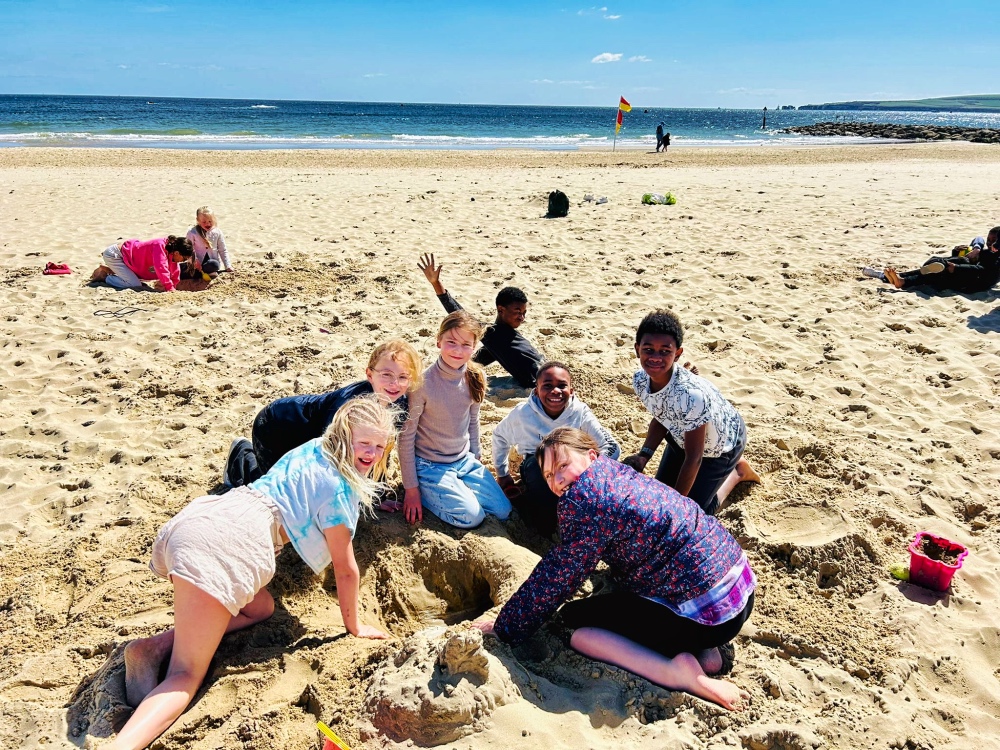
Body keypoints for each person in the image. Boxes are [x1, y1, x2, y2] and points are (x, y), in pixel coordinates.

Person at [107, 396, 396, 750]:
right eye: (364, 443)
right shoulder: (339, 489)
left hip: (208, 516)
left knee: (261, 608)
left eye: (380, 446)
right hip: (229, 544)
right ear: (344, 434)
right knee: (185, 676)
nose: (371, 453)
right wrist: (355, 627)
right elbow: (345, 568)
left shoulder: (315, 447)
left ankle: (153, 648)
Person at [475, 428, 754, 711]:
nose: (557, 480)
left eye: (562, 466)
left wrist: (505, 627)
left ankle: (679, 672)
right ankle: (706, 652)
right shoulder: (616, 473)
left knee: (578, 627)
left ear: (591, 455)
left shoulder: (584, 500)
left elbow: (557, 576)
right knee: (637, 581)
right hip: (738, 590)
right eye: (548, 476)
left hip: (707, 615)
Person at [224, 340, 422, 488]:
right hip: (278, 426)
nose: (394, 384)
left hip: (311, 430)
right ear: (370, 375)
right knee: (276, 486)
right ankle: (241, 456)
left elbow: (379, 448)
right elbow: (328, 454)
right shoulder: (349, 408)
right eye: (386, 374)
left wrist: (376, 492)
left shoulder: (401, 403)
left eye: (403, 377)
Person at [621, 310, 759, 515]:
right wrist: (644, 455)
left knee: (692, 512)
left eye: (665, 351)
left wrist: (677, 505)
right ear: (637, 349)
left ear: (677, 353)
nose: (655, 357)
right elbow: (662, 416)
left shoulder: (691, 396)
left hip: (720, 446)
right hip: (683, 436)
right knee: (660, 494)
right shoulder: (640, 380)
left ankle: (738, 472)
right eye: (648, 349)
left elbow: (694, 457)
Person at [399, 310, 512, 528]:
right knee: (472, 517)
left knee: (503, 511)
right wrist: (411, 489)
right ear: (438, 341)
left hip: (463, 460)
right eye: (451, 342)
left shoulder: (476, 376)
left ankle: (455, 488)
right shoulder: (422, 383)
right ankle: (426, 492)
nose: (458, 351)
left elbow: (472, 420)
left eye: (466, 345)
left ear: (475, 347)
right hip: (430, 465)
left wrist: (476, 455)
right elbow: (406, 437)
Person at [492, 361, 620, 537]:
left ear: (571, 391)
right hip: (537, 467)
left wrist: (592, 473)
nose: (555, 391)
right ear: (536, 391)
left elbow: (611, 447)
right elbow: (499, 436)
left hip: (573, 467)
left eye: (562, 386)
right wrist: (503, 473)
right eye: (547, 386)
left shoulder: (580, 412)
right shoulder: (523, 414)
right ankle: (544, 525)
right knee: (541, 487)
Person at [418, 253, 544, 388]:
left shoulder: (500, 338)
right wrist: (436, 284)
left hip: (546, 379)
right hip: (543, 381)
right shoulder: (495, 334)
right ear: (501, 310)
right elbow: (457, 312)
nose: (522, 318)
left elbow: (480, 358)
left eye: (524, 313)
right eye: (517, 312)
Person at [876, 226, 1000, 293]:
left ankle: (900, 280)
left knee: (937, 272)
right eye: (989, 240)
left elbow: (982, 270)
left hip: (974, 284)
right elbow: (978, 238)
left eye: (994, 241)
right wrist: (973, 249)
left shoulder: (996, 258)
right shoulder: (987, 252)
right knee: (940, 265)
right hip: (968, 275)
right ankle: (899, 278)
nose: (990, 243)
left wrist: (956, 268)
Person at [94, 236, 193, 292]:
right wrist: (169, 287)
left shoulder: (171, 253)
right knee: (134, 284)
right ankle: (105, 277)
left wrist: (173, 286)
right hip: (115, 255)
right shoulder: (160, 246)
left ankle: (113, 270)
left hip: (128, 260)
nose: (182, 261)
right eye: (183, 259)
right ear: (177, 253)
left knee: (140, 281)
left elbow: (175, 270)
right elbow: (161, 267)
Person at [186, 206, 234, 278]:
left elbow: (222, 250)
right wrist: (195, 261)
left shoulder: (217, 232)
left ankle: (208, 272)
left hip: (211, 263)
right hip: (197, 264)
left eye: (210, 221)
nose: (207, 224)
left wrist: (228, 266)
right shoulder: (192, 232)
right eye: (204, 222)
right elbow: (188, 250)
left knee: (213, 264)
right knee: (184, 270)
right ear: (198, 220)